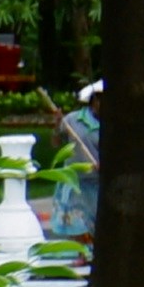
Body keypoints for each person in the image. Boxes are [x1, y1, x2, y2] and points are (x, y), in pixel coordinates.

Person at [50, 82, 99, 242]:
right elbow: (56, 142)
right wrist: (57, 125)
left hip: (97, 180)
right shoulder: (72, 119)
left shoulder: (113, 122)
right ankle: (82, 253)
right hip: (75, 179)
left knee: (96, 219)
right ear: (95, 100)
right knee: (77, 221)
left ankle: (94, 251)